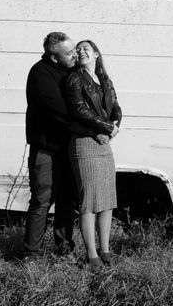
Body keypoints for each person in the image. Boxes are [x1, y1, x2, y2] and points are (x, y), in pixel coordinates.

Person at [24, 32, 96, 258]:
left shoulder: (73, 71)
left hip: (69, 149)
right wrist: (93, 129)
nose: (76, 54)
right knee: (42, 201)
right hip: (46, 149)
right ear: (54, 57)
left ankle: (64, 250)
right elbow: (61, 111)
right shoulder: (41, 73)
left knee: (67, 201)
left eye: (75, 49)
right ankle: (32, 253)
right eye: (69, 52)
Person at [64, 40, 121, 270]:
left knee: (106, 200)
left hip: (104, 143)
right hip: (84, 142)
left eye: (85, 48)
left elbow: (115, 107)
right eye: (78, 50)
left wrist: (114, 125)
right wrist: (106, 128)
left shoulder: (104, 79)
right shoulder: (75, 78)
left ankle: (106, 250)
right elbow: (79, 110)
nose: (80, 51)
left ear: (96, 53)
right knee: (89, 201)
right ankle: (92, 254)